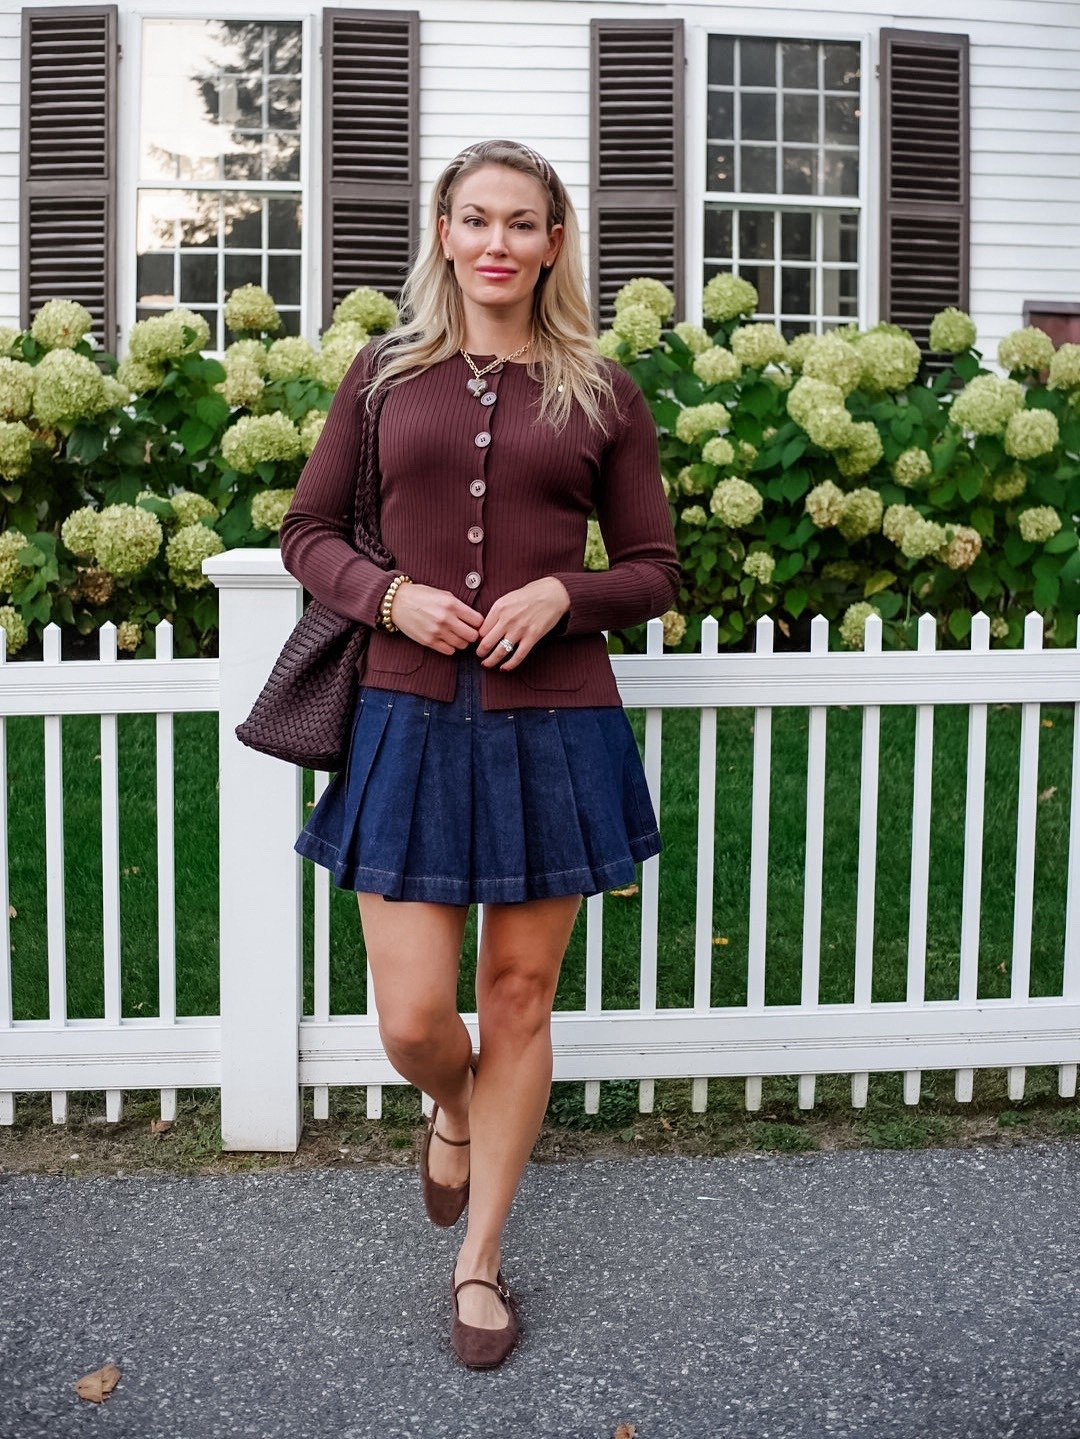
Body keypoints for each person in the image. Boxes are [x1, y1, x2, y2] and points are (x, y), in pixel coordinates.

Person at [279, 139, 679, 1369]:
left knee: (517, 994)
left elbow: (657, 570)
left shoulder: (600, 387)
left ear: (556, 242)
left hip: (555, 718)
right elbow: (304, 531)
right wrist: (389, 599)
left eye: (523, 222)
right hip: (402, 709)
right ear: (444, 233)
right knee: (413, 1017)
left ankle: (481, 1257)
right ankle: (452, 1108)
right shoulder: (385, 373)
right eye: (475, 219)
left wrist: (566, 594)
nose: (497, 242)